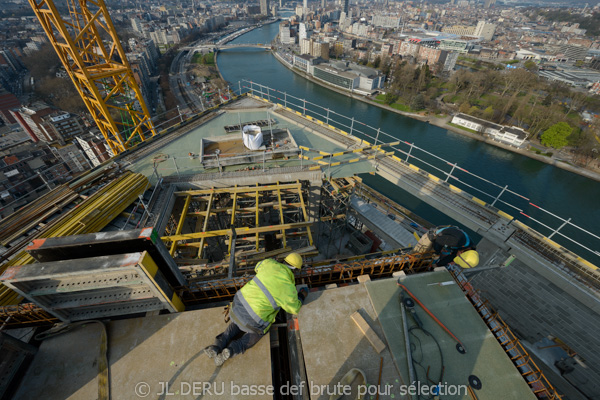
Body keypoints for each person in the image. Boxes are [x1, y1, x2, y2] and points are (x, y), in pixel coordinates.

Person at [204, 253, 308, 366]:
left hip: (237, 305)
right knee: (254, 334)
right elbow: (294, 308)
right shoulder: (288, 287)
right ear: (295, 270)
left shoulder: (269, 263)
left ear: (284, 261)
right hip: (253, 320)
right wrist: (302, 295)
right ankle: (232, 349)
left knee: (236, 324)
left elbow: (257, 267)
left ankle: (217, 345)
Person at [413, 226, 478, 268]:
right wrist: (437, 253)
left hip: (445, 241)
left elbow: (452, 256)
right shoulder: (457, 241)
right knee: (417, 255)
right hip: (435, 237)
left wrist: (438, 265)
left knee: (432, 258)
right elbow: (439, 240)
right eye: (458, 257)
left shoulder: (469, 249)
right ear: (461, 252)